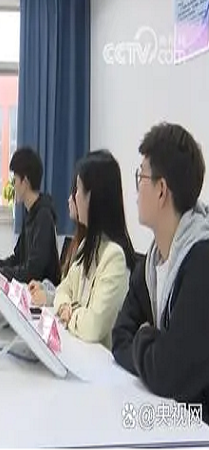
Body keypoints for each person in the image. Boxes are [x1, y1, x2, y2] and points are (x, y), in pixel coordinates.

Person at [112, 123, 209, 424]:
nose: (136, 190)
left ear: (161, 190)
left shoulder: (201, 261)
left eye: (141, 177)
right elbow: (119, 336)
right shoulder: (152, 262)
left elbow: (170, 374)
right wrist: (154, 351)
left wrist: (144, 336)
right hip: (175, 419)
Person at [50, 150, 136, 348]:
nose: (74, 197)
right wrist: (66, 305)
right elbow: (62, 289)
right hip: (79, 348)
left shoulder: (114, 257)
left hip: (100, 361)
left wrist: (70, 312)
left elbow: (93, 327)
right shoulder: (88, 245)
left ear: (93, 197)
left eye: (78, 190)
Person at [0, 146, 61, 285]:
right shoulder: (31, 213)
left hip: (42, 293)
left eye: (15, 181)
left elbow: (32, 272)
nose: (13, 186)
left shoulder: (43, 216)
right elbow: (18, 259)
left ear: (25, 182)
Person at [29, 172, 87, 306]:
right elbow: (63, 288)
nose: (69, 200)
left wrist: (48, 297)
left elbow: (76, 300)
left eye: (75, 193)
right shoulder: (76, 241)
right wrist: (43, 287)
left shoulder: (88, 247)